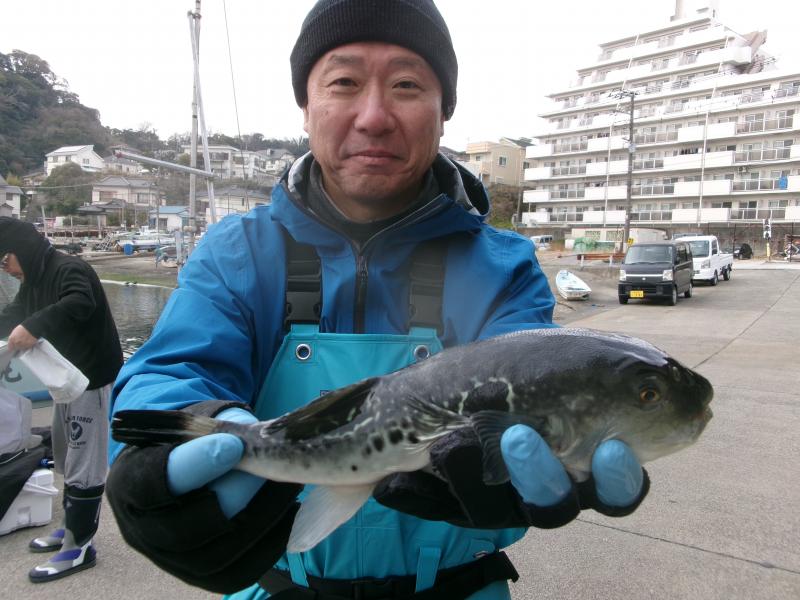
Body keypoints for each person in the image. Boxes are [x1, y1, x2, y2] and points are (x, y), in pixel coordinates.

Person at [106, 1, 648, 598]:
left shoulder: (502, 264)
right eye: (343, 82)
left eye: (407, 85)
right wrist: (173, 448)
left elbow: (526, 376)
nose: (374, 116)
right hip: (274, 585)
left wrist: (563, 455)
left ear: (444, 112)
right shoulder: (238, 250)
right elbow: (174, 369)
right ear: (306, 106)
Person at [0, 217, 123, 583]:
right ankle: (69, 524)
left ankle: (79, 548)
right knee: (66, 454)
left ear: (20, 249)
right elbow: (15, 315)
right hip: (65, 381)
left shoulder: (70, 268)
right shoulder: (35, 280)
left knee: (85, 462)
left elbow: (78, 302)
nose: (4, 267)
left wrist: (34, 328)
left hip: (91, 380)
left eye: (4, 259)